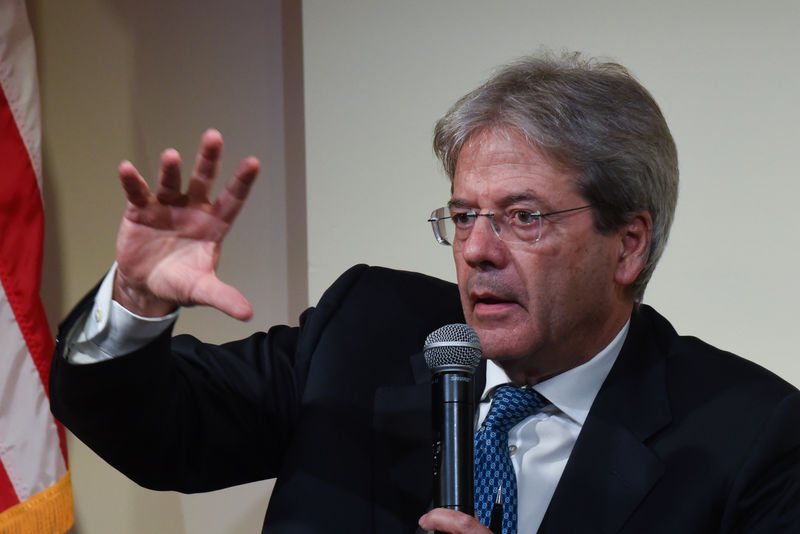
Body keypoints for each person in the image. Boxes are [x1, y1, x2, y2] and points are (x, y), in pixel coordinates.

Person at [50, 52, 799, 533]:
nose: (475, 249)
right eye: (465, 213)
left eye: (523, 216)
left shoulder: (748, 436)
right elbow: (155, 433)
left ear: (628, 244)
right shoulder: (365, 334)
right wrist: (138, 300)